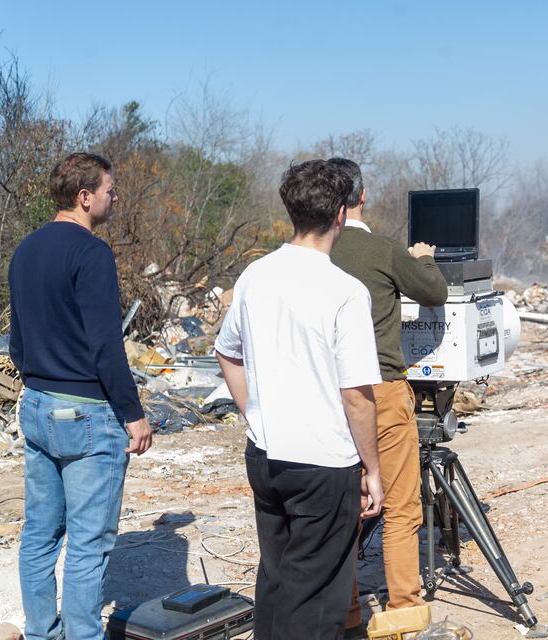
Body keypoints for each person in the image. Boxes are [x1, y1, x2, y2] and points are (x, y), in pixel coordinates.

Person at [214, 159, 384, 640]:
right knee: (316, 598)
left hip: (265, 455)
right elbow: (357, 395)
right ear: (340, 215)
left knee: (277, 578)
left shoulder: (255, 275)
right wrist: (372, 469)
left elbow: (226, 352)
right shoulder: (345, 291)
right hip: (322, 463)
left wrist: (255, 412)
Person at [9, 152, 153, 640]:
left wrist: (39, 379)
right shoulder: (92, 253)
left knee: (39, 534)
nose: (116, 197)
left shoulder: (26, 249)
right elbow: (106, 345)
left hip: (36, 402)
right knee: (88, 543)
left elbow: (17, 340)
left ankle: (40, 632)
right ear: (84, 196)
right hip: (87, 413)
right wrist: (132, 413)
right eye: (110, 190)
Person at [327, 158, 448, 631]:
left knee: (344, 509)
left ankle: (346, 613)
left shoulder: (314, 256)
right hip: (381, 390)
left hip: (329, 394)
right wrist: (423, 258)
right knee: (400, 505)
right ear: (361, 196)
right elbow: (434, 291)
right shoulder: (382, 250)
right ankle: (403, 610)